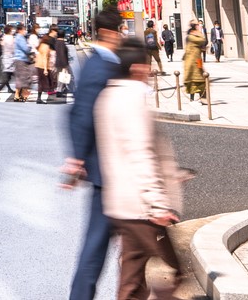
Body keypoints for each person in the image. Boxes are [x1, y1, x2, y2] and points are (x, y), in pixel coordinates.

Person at [98, 39, 186, 300]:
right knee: (176, 270)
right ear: (137, 68)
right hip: (140, 208)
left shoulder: (108, 95)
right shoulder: (132, 99)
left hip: (121, 203)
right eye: (148, 67)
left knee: (131, 279)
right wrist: (158, 204)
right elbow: (140, 153)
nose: (151, 72)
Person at [64, 8, 125, 300]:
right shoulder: (99, 67)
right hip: (109, 171)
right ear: (111, 33)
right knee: (98, 244)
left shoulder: (103, 63)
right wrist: (77, 159)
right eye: (122, 30)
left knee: (109, 243)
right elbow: (79, 114)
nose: (124, 35)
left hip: (112, 169)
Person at [181, 21, 206, 102]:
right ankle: (194, 99)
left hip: (198, 60)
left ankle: (202, 98)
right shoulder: (192, 36)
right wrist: (199, 32)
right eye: (198, 25)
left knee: (201, 78)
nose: (199, 26)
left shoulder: (193, 35)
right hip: (192, 62)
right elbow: (202, 40)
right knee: (194, 80)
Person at [36, 24, 59, 103]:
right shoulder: (46, 46)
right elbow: (45, 58)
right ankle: (40, 97)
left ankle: (44, 94)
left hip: (39, 65)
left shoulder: (41, 45)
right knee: (44, 82)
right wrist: (45, 69)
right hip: (43, 66)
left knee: (43, 82)